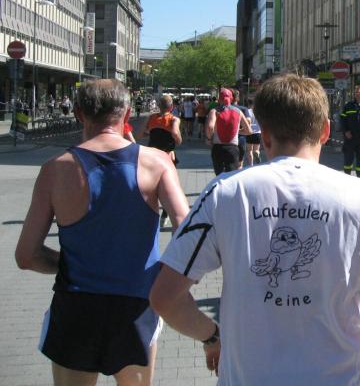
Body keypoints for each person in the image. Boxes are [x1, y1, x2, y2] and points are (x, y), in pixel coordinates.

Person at [150, 74, 360, 385]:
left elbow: (164, 298)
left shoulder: (223, 193)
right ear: (325, 130)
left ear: (264, 135)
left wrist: (212, 336)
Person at [15, 79, 189, 386]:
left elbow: (26, 256)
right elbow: (188, 233)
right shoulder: (157, 163)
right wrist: (164, 275)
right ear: (127, 114)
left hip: (75, 306)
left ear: (78, 113)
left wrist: (69, 263)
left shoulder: (55, 169)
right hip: (136, 305)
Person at [205, 88, 251, 175]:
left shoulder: (214, 111)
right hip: (232, 148)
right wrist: (236, 131)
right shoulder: (238, 112)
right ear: (231, 98)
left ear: (219, 99)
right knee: (231, 176)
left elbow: (210, 127)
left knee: (219, 175)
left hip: (218, 147)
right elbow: (249, 131)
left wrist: (209, 138)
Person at [139, 94, 182, 166]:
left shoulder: (150, 117)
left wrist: (149, 133)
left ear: (159, 106)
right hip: (167, 154)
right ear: (171, 106)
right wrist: (179, 140)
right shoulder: (174, 119)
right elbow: (175, 133)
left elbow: (140, 133)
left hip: (153, 154)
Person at [245, 95, 262, 166]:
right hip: (258, 132)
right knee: (256, 149)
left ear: (248, 103)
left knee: (249, 150)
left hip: (249, 132)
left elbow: (247, 121)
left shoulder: (247, 111)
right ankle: (257, 154)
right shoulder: (258, 111)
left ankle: (251, 165)